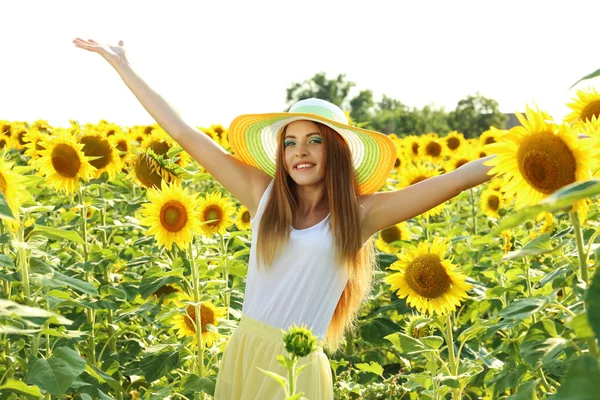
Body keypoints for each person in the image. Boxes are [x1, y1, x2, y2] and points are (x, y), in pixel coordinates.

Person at [72, 38, 495, 399]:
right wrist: (122, 66)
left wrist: (531, 152)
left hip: (298, 364)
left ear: (337, 152)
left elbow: (457, 179)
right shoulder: (264, 195)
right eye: (290, 142)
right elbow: (182, 132)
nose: (300, 151)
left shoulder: (361, 216)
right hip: (245, 349)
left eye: (314, 140)